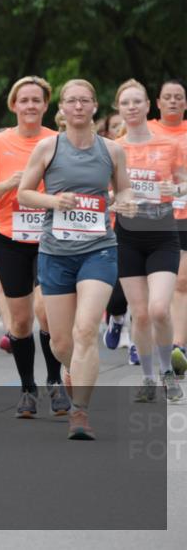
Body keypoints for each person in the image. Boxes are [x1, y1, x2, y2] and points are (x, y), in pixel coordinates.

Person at [18, 78, 135, 439]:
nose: (79, 106)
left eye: (85, 100)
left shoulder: (112, 150)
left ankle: (80, 413)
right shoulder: (47, 148)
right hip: (56, 253)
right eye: (72, 101)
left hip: (99, 249)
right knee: (61, 342)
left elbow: (124, 189)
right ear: (63, 110)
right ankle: (75, 369)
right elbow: (24, 194)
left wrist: (125, 201)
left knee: (86, 329)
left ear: (95, 107)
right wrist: (54, 201)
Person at [0, 76, 69, 419]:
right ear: (13, 105)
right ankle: (28, 387)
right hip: (9, 237)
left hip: (51, 237)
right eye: (23, 100)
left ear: (46, 106)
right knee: (20, 319)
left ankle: (55, 380)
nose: (30, 106)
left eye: (36, 100)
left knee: (47, 311)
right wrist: (8, 184)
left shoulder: (59, 141)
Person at [112, 79, 185, 401]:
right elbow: (106, 191)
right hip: (128, 238)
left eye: (136, 102)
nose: (131, 107)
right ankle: (148, 377)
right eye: (125, 103)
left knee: (158, 309)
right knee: (139, 314)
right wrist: (116, 200)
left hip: (163, 237)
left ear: (147, 106)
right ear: (119, 108)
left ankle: (168, 371)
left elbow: (183, 183)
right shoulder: (114, 147)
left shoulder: (168, 145)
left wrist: (178, 190)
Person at [147, 79, 187, 376]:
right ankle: (125, 319)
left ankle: (178, 346)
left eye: (179, 97)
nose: (173, 101)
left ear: (185, 103)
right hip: (150, 216)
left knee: (181, 281)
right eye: (168, 97)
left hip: (183, 213)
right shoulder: (145, 131)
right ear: (158, 102)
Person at [99, 111, 132, 351]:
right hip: (105, 227)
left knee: (145, 293)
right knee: (117, 290)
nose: (121, 126)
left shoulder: (149, 149)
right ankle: (117, 317)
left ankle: (139, 345)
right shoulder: (104, 151)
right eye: (115, 125)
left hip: (142, 226)